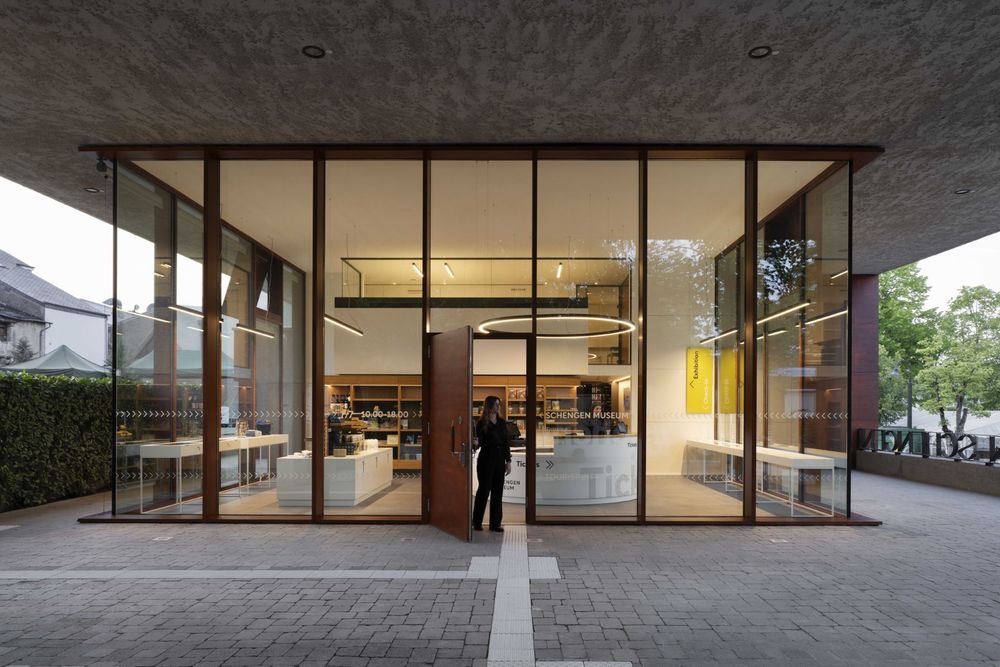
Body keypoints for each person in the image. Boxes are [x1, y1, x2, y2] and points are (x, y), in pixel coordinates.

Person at [472, 395, 512, 533]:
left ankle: (495, 524)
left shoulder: (501, 422)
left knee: (497, 492)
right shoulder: (481, 423)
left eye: (499, 404)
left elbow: (506, 443)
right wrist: (476, 443)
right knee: (483, 491)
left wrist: (508, 461)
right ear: (489, 406)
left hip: (499, 459)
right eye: (496, 404)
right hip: (486, 459)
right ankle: (477, 522)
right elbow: (478, 443)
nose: (498, 407)